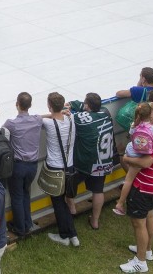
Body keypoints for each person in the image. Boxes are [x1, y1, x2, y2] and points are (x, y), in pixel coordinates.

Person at [120, 105, 153, 273]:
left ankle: (140, 262)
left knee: (138, 223)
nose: (151, 116)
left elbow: (145, 163)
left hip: (143, 186)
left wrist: (127, 157)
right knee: (149, 215)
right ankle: (147, 250)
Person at [114, 103, 153, 216]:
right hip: (141, 153)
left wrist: (126, 157)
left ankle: (121, 202)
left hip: (132, 150)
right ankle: (120, 204)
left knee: (128, 180)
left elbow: (131, 135)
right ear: (150, 115)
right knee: (130, 179)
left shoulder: (133, 125)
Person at [66, 92, 115, 230]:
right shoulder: (105, 112)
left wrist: (69, 106)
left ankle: (72, 208)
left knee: (69, 183)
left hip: (86, 161)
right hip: (103, 160)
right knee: (98, 190)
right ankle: (95, 220)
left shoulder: (81, 118)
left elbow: (69, 116)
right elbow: (82, 107)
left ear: (87, 105)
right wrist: (77, 104)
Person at [2, 93, 43, 238]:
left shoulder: (11, 124)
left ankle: (20, 228)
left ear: (17, 104)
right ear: (30, 105)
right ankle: (27, 223)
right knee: (26, 193)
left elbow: (1, 132)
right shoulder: (37, 120)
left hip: (18, 166)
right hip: (32, 166)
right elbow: (43, 117)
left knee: (17, 196)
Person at [42, 92, 79, 247]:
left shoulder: (48, 123)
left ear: (49, 106)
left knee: (58, 203)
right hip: (69, 166)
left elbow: (35, 118)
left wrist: (51, 113)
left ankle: (66, 235)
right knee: (63, 201)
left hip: (54, 167)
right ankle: (72, 235)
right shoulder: (71, 118)